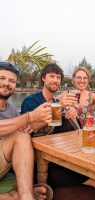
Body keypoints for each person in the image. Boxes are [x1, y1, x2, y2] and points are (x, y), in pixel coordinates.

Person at [21, 63, 95, 189]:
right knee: (52, 172)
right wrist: (59, 107)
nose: (55, 80)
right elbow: (31, 127)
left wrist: (70, 113)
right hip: (34, 153)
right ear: (43, 78)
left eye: (58, 77)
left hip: (55, 150)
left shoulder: (56, 101)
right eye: (52, 76)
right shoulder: (31, 101)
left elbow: (60, 125)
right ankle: (91, 181)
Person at [0, 61, 53, 200]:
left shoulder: (11, 109)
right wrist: (29, 116)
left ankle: (23, 195)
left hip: (3, 166)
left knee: (22, 135)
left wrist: (42, 118)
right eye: (2, 78)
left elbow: (26, 128)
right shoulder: (28, 102)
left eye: (11, 81)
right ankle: (17, 196)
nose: (7, 83)